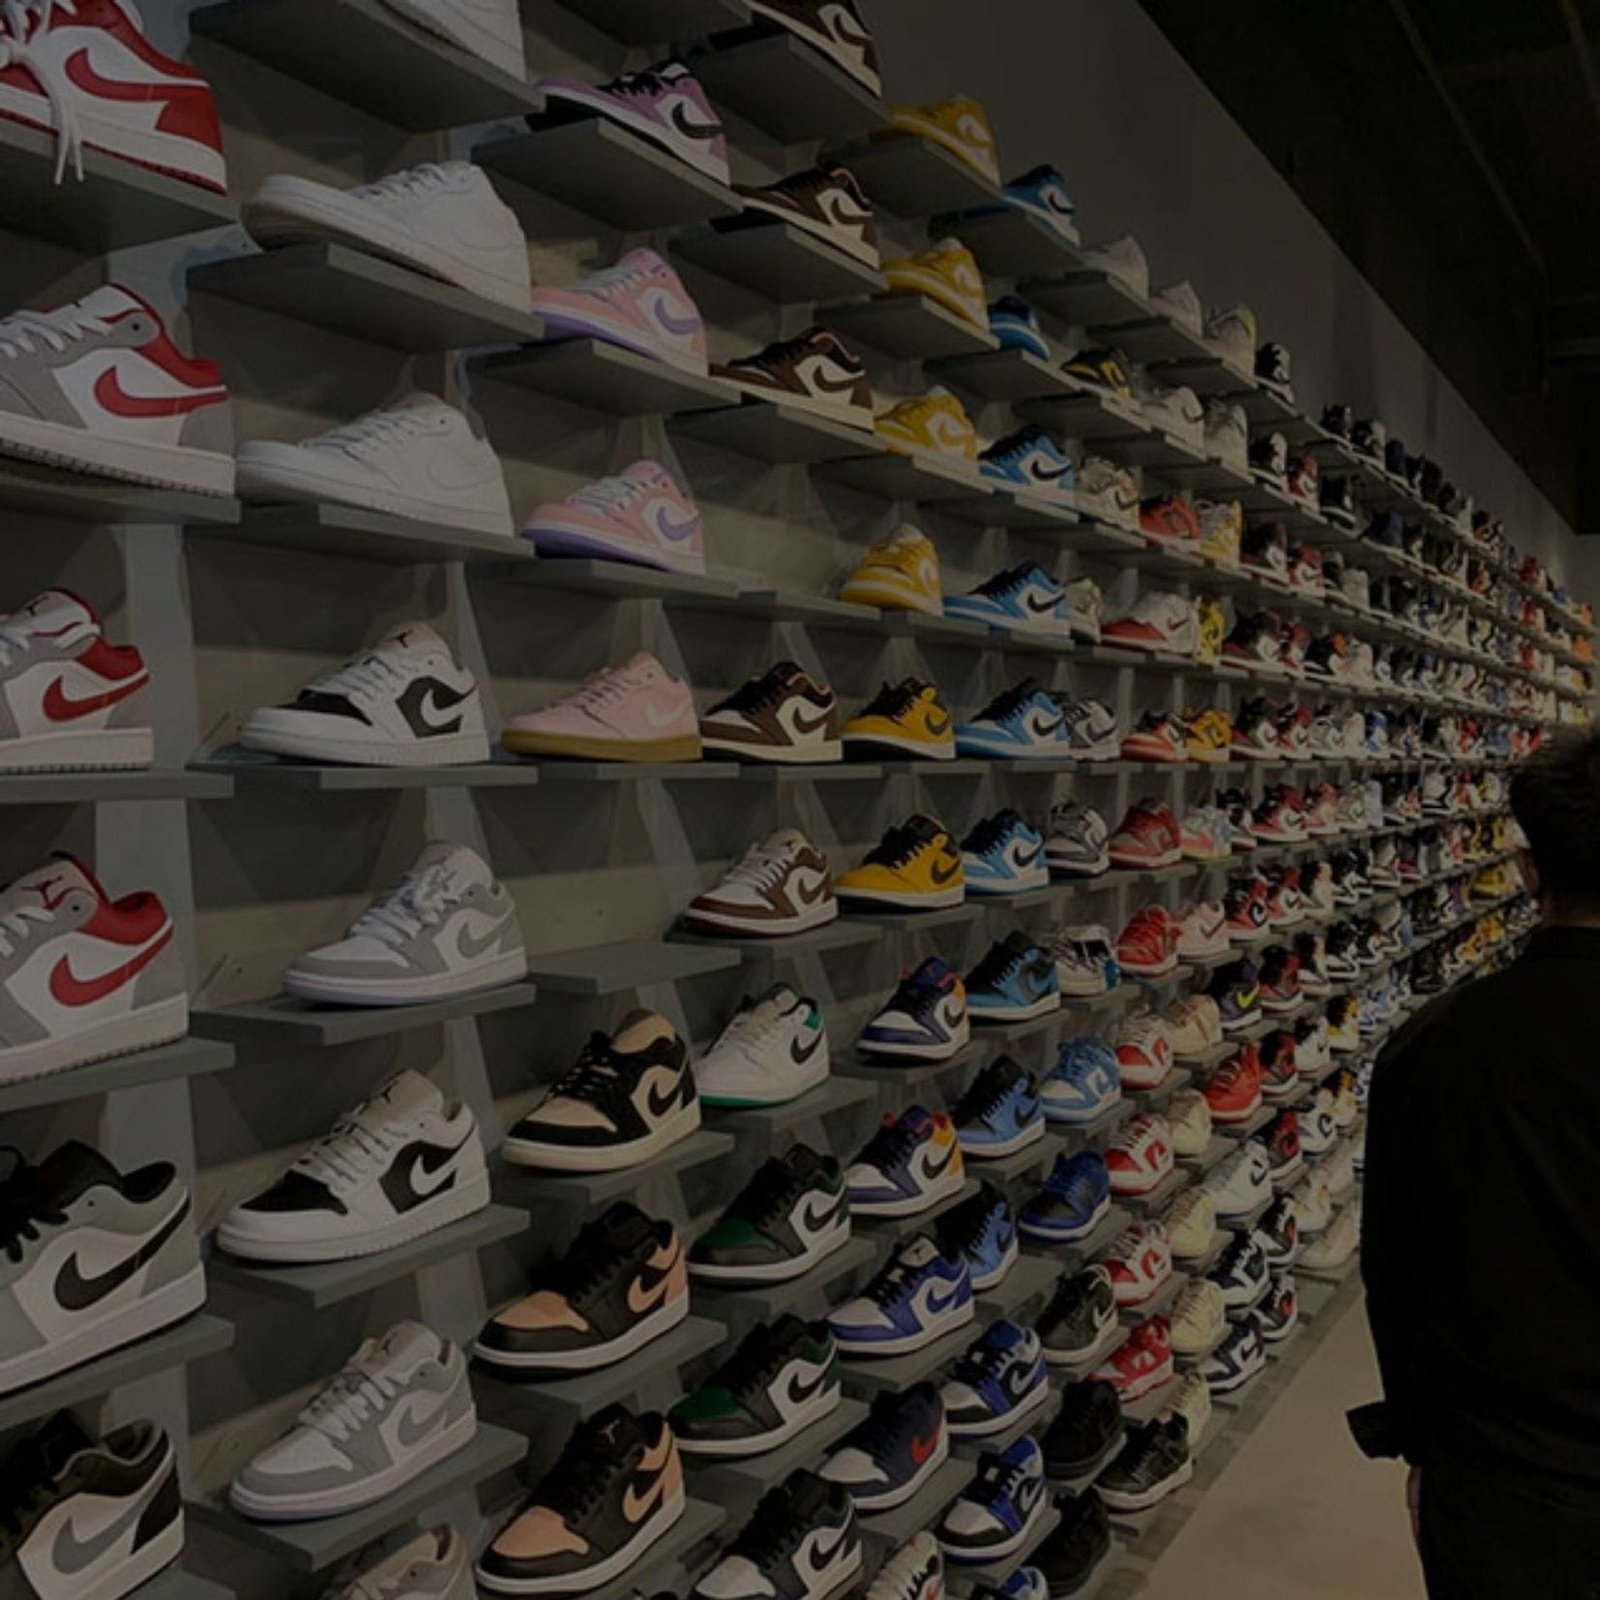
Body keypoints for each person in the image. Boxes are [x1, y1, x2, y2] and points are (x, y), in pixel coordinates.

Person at [1359, 731, 1600, 1596]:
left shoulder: (1428, 1046)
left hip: (1499, 1486)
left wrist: (1423, 1446)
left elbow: (1395, 1273)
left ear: (1530, 871)